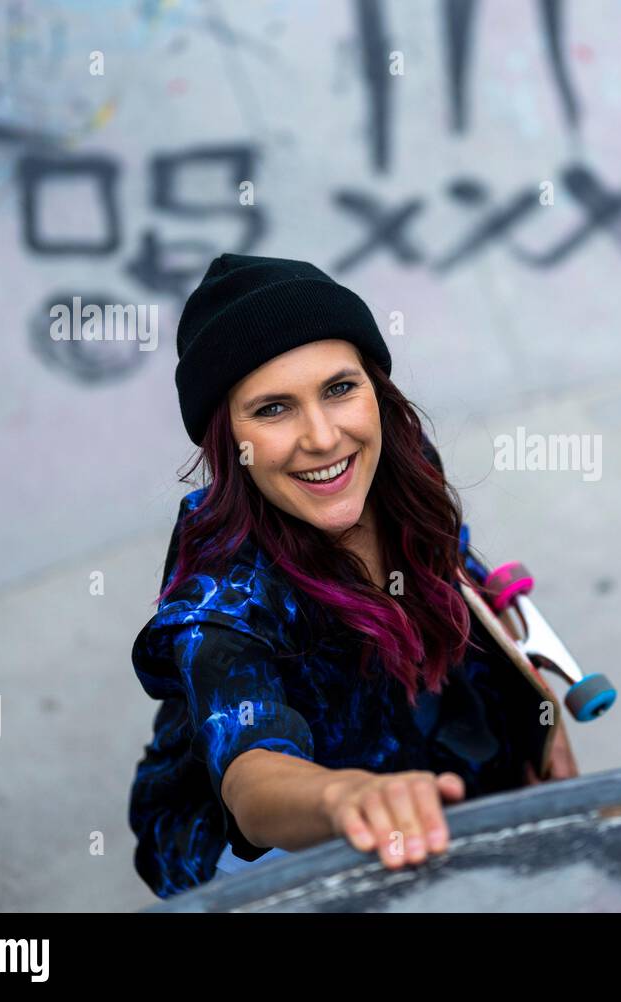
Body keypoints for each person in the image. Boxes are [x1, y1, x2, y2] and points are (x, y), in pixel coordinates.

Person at [127, 253, 578, 900]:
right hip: (276, 838)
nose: (322, 437)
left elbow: (458, 577)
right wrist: (345, 798)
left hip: (405, 750)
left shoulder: (398, 459)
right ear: (230, 443)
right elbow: (253, 778)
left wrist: (532, 697)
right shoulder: (222, 592)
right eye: (274, 409)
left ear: (376, 389)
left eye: (340, 388)